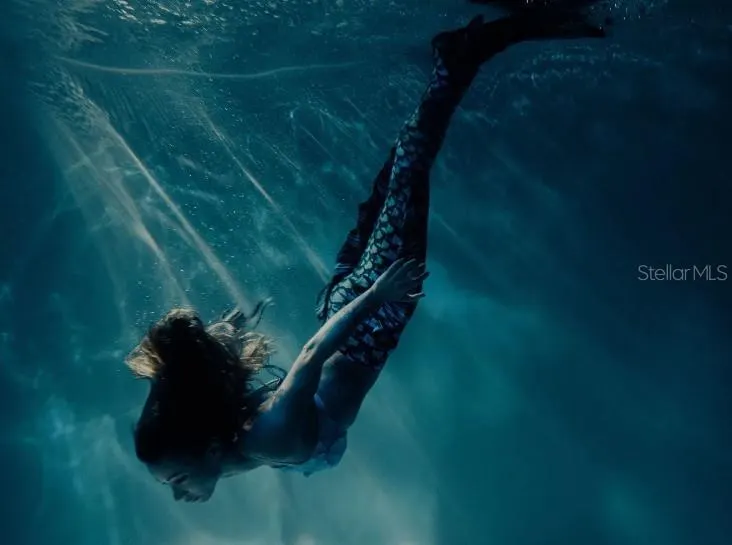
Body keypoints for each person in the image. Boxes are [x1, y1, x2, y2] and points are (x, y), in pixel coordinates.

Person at [126, 9, 605, 502]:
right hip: (345, 306)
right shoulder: (228, 448)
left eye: (177, 481)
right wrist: (190, 369)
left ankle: (464, 54)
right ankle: (456, 62)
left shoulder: (269, 438)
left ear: (205, 450)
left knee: (410, 171)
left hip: (371, 317)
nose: (179, 496)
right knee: (394, 181)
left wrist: (378, 295)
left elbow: (311, 357)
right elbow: (189, 424)